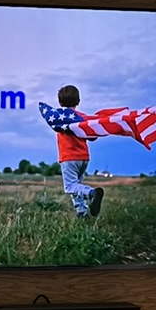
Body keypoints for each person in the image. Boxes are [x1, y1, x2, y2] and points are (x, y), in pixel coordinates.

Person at [51, 85, 103, 219]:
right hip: (84, 158)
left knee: (70, 187)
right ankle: (82, 212)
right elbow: (92, 137)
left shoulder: (59, 118)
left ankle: (91, 193)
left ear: (60, 102)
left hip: (68, 158)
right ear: (78, 101)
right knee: (76, 185)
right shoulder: (82, 119)